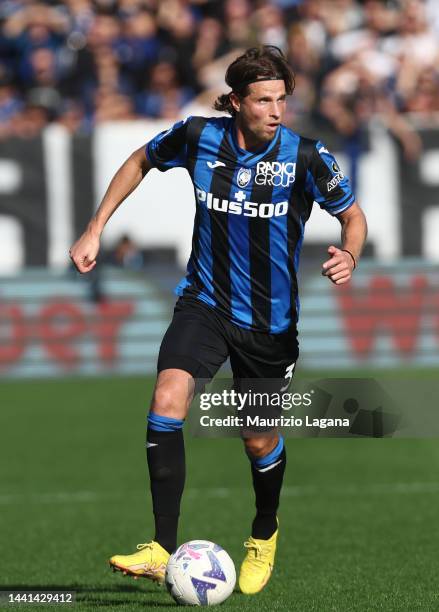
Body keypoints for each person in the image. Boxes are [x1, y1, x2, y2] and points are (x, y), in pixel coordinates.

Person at [69, 46, 367, 596]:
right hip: (203, 302)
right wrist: (95, 228)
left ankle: (263, 531)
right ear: (235, 101)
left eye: (281, 98)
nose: (276, 110)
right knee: (166, 399)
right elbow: (139, 160)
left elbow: (352, 216)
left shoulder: (306, 156)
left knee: (257, 439)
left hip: (268, 324)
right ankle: (161, 546)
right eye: (263, 100)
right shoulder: (198, 137)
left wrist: (350, 252)